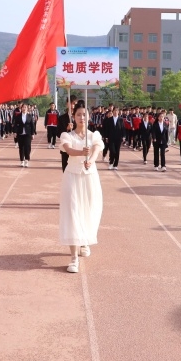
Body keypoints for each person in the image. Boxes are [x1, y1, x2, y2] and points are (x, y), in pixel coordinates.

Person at [58, 103, 104, 273]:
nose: (82, 117)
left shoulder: (94, 136)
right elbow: (69, 150)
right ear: (74, 116)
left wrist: (90, 159)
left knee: (88, 210)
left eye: (84, 114)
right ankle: (73, 258)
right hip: (72, 176)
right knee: (73, 212)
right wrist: (81, 153)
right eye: (78, 114)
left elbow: (97, 149)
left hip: (89, 177)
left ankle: (84, 242)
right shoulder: (67, 135)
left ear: (89, 117)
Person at [57, 95, 77, 172]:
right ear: (67, 104)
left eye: (74, 103)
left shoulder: (80, 118)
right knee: (65, 170)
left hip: (77, 148)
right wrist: (66, 129)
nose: (72, 106)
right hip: (66, 149)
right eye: (70, 103)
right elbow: (58, 133)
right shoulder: (61, 118)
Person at [102, 106, 125, 170]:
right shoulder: (109, 119)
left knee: (117, 151)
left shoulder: (121, 119)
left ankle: (115, 165)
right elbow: (107, 129)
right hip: (111, 138)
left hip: (118, 138)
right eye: (114, 111)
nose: (115, 112)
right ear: (113, 111)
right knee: (112, 151)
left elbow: (123, 128)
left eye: (117, 111)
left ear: (118, 112)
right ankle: (111, 163)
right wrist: (106, 137)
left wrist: (124, 136)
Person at [14, 103, 35, 167]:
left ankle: (26, 160)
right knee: (21, 147)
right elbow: (15, 125)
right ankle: (22, 160)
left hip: (27, 134)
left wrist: (32, 134)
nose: (24, 108)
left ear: (27, 109)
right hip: (20, 133)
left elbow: (32, 125)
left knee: (27, 147)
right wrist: (15, 132)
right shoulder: (18, 116)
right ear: (21, 108)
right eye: (23, 107)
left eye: (25, 107)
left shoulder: (30, 116)